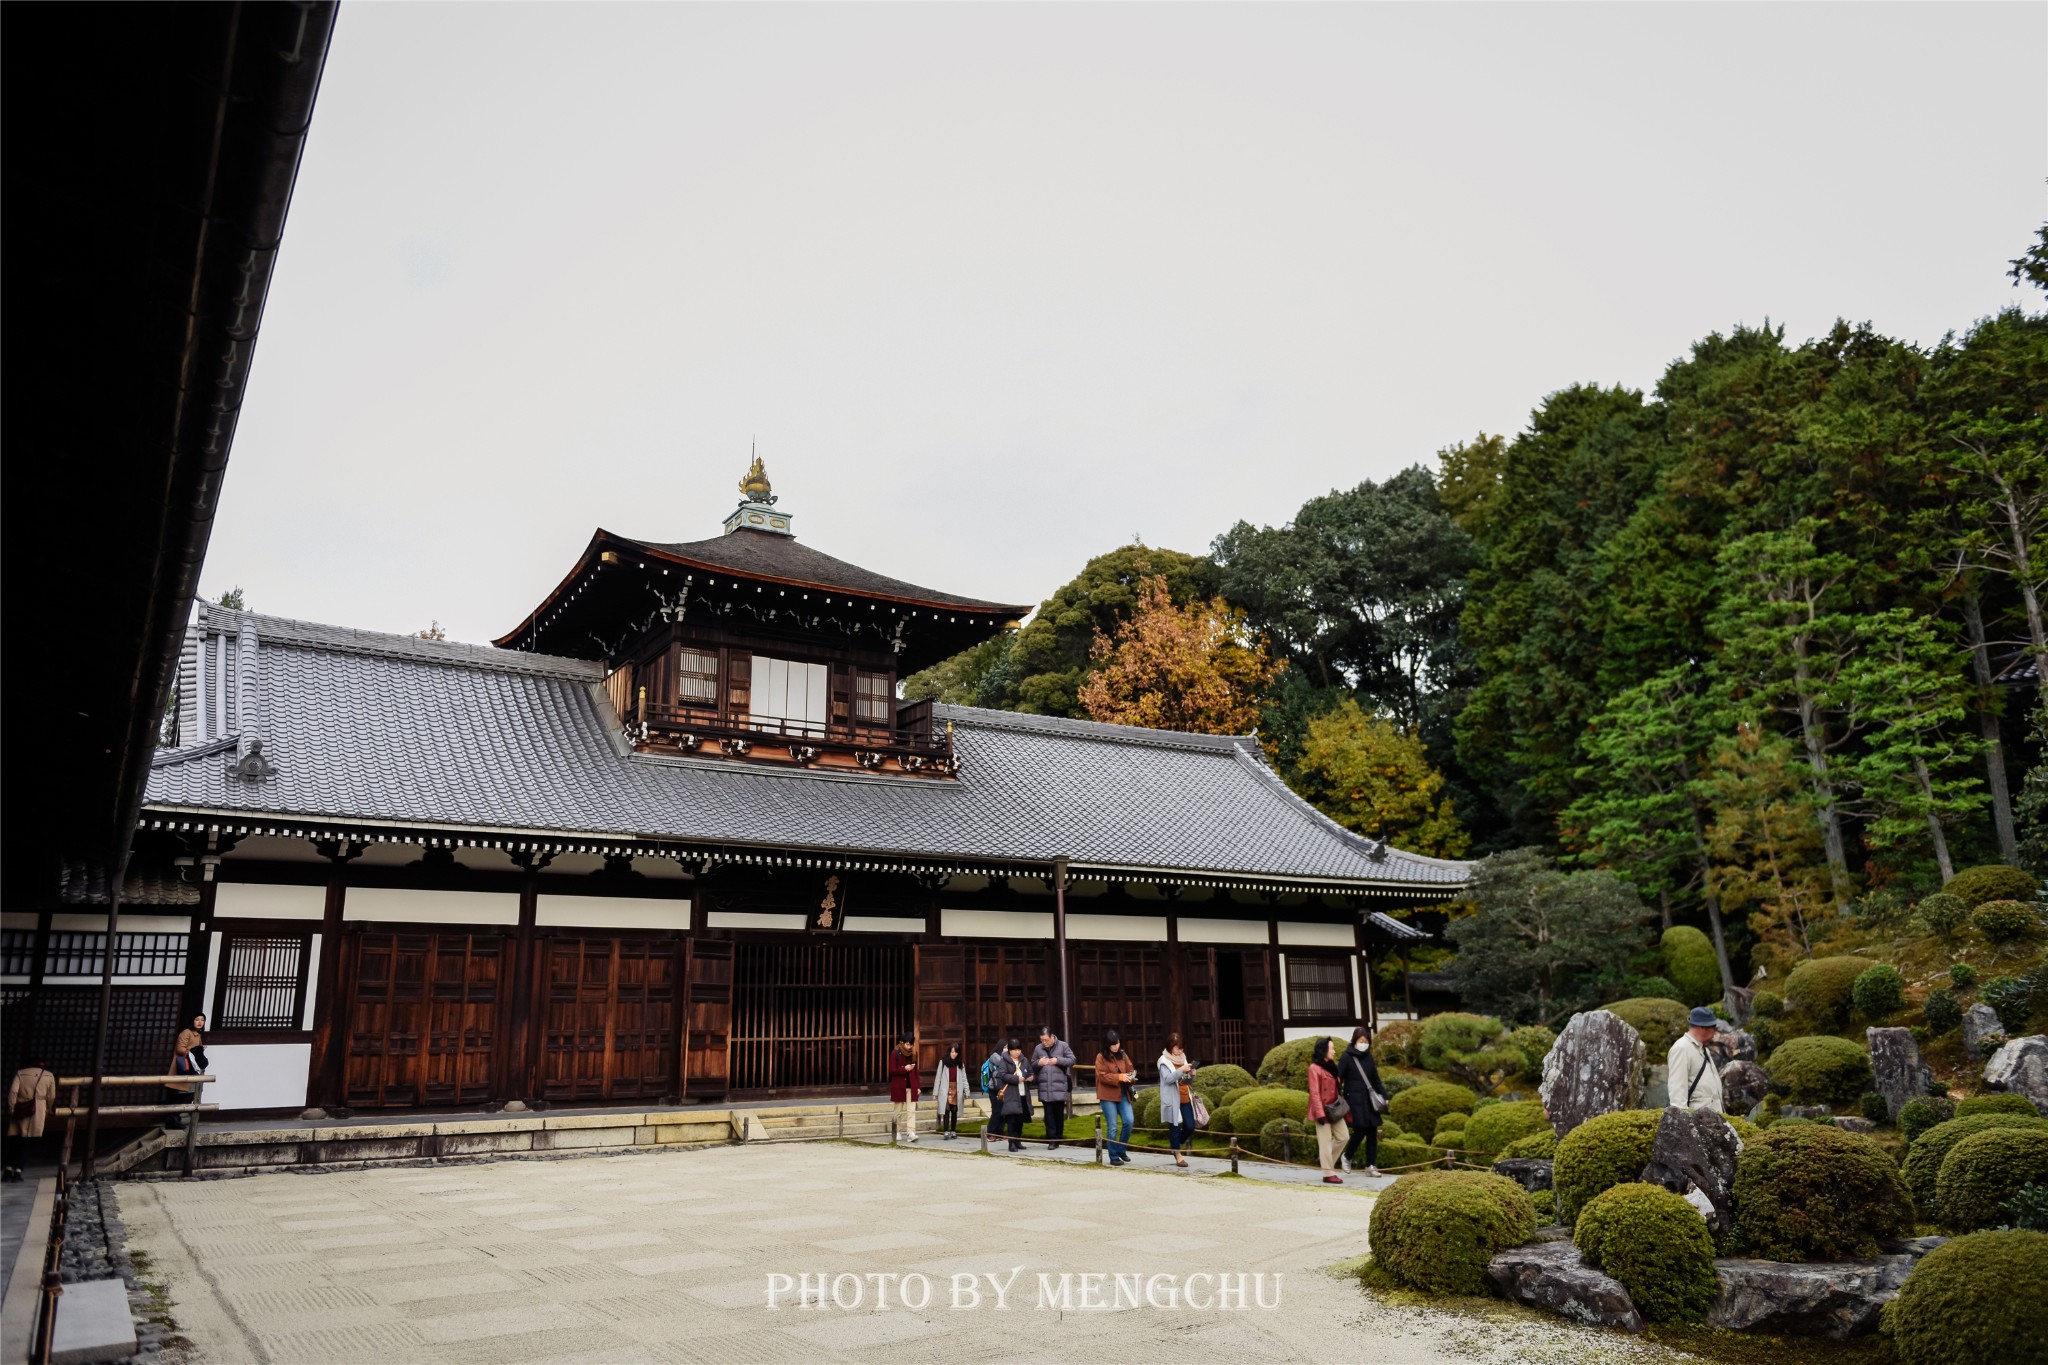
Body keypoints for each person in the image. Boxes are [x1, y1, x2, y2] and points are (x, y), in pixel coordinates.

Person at [1338, 1025, 1386, 1176]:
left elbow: (1376, 1080)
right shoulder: (1346, 1057)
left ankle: (1371, 1165)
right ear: (1354, 1041)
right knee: (1359, 1131)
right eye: (1361, 1040)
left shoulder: (1369, 1057)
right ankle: (1346, 1156)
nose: (1363, 1043)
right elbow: (1338, 1078)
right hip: (1354, 1101)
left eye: (1366, 1040)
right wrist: (1337, 1097)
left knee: (1372, 1132)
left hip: (1369, 1101)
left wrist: (1384, 1096)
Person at [1307, 1036, 1350, 1185]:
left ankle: (1324, 1159)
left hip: (1335, 1109)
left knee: (1344, 1137)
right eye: (1331, 1048)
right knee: (1324, 1143)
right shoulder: (1314, 1068)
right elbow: (1314, 1093)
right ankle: (1328, 1173)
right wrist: (1319, 1113)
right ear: (1323, 1050)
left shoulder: (1331, 1067)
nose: (1334, 1051)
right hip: (1323, 1110)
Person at [4, 1059, 56, 1182]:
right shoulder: (49, 1075)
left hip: (21, 1108)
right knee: (29, 1142)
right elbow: (51, 1096)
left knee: (16, 1140)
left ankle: (7, 1171)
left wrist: (11, 1107)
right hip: (38, 1110)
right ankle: (18, 1172)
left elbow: (13, 1092)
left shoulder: (21, 1073)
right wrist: (48, 1108)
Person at [1094, 1030, 1139, 1166]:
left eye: (1117, 1043)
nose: (1116, 1046)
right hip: (1107, 1095)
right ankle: (1113, 1156)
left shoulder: (1123, 1054)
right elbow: (1102, 1075)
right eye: (1113, 1044)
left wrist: (1131, 1076)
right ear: (1107, 1045)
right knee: (1112, 1126)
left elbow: (1130, 1068)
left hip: (1123, 1093)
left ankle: (1121, 1149)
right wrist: (1119, 1077)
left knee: (1129, 1121)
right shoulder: (1101, 1057)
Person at [1669, 1006, 1725, 1114]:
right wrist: (1684, 1124)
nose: (1715, 1033)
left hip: (1712, 1120)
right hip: (1698, 1122)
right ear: (1702, 1028)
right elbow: (1677, 1093)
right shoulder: (1681, 1048)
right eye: (1713, 1028)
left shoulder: (1703, 1049)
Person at [1030, 1025, 1075, 1149]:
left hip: (1059, 1086)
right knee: (1048, 1114)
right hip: (1045, 1087)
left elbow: (1072, 1059)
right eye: (1042, 1040)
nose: (1044, 1043)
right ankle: (1051, 1139)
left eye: (1046, 1040)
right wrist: (1039, 1063)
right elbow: (1031, 1064)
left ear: (1052, 1037)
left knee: (1058, 1114)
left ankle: (1058, 1137)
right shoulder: (1038, 1049)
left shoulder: (1063, 1046)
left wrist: (1057, 1060)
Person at [1158, 1032, 1197, 1169]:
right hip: (1172, 1099)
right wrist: (1181, 1069)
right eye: (1177, 1048)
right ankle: (1178, 1155)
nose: (1179, 1051)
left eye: (1181, 1048)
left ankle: (1175, 1146)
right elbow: (1168, 1079)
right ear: (1170, 1047)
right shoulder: (1163, 1061)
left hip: (1185, 1096)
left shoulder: (1183, 1059)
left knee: (1190, 1125)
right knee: (1174, 1127)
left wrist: (1191, 1075)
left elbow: (1185, 1080)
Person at [988, 1040, 1029, 1152]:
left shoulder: (1024, 1060)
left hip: (1022, 1093)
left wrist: (1031, 1077)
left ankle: (1018, 1141)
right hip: (1011, 1094)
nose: (1017, 1052)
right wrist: (1016, 1079)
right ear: (1010, 1050)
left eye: (1019, 1049)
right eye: (1014, 1050)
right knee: (1012, 1119)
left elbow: (1029, 1071)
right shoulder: (1004, 1061)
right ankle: (1011, 1143)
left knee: (1020, 1119)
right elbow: (1003, 1075)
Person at [888, 1031, 921, 1142]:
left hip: (911, 1085)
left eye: (911, 1044)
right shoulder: (895, 1053)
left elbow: (916, 1071)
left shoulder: (913, 1053)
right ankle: (897, 1131)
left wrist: (918, 1086)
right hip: (899, 1085)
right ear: (902, 1042)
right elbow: (892, 1070)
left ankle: (911, 1132)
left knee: (911, 1110)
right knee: (898, 1110)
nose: (909, 1046)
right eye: (907, 1044)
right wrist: (904, 1069)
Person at [932, 1043, 968, 1139]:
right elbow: (938, 1077)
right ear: (949, 1052)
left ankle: (953, 1130)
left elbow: (964, 1078)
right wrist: (935, 1093)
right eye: (952, 1052)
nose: (954, 1054)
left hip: (957, 1088)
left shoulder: (960, 1063)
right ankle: (946, 1131)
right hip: (946, 1088)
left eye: (956, 1052)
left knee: (954, 1110)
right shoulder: (943, 1062)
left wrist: (967, 1091)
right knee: (946, 1109)